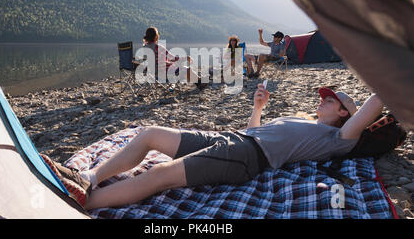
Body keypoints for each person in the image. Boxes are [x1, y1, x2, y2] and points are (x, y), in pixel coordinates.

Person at [41, 84, 384, 210]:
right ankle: (88, 176)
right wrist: (258, 108)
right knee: (149, 133)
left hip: (246, 158)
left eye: (331, 101)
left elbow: (373, 105)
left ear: (344, 114)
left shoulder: (338, 139)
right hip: (236, 138)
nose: (322, 101)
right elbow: (256, 131)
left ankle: (79, 203)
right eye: (324, 98)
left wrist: (391, 68)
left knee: (161, 174)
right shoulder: (305, 122)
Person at [141, 26, 207, 89]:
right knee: (186, 69)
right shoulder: (158, 47)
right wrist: (186, 58)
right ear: (156, 36)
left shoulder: (144, 48)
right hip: (163, 74)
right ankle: (200, 82)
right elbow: (173, 58)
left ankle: (199, 81)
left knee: (180, 68)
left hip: (152, 75)